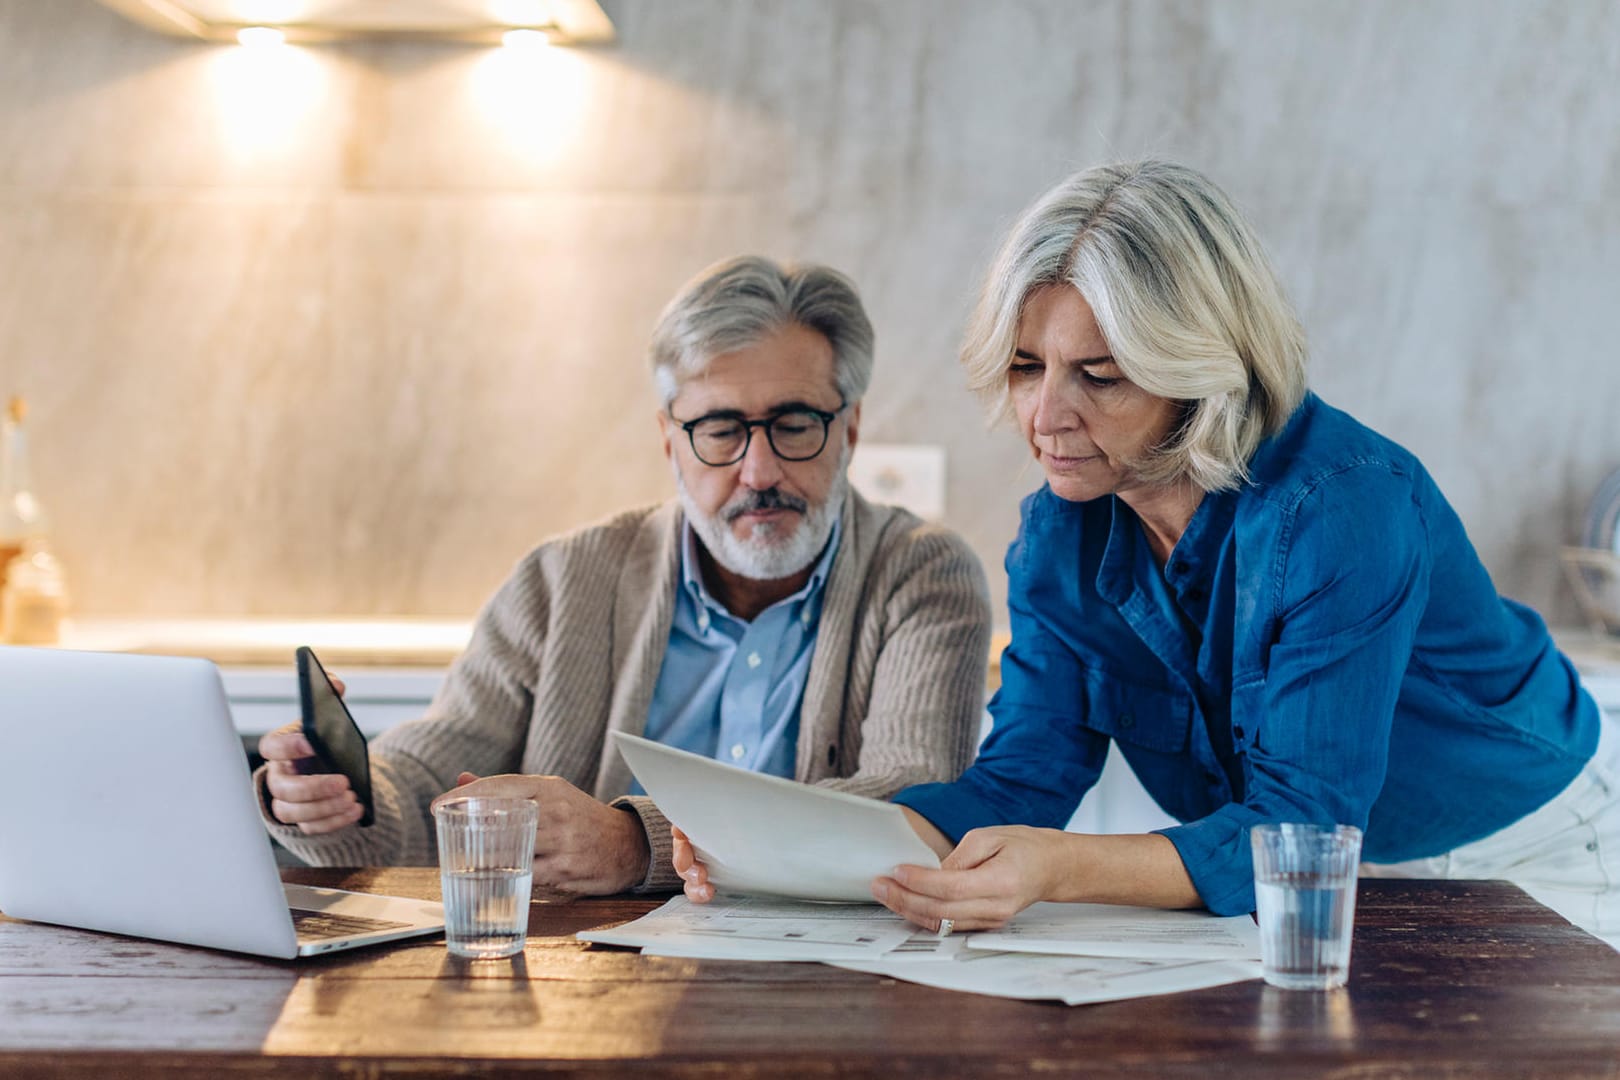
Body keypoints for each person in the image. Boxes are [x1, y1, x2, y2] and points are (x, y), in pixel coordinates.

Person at [677, 161, 1620, 950]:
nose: (1046, 416)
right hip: (1305, 860)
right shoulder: (1062, 528)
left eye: (1101, 374)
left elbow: (1302, 828)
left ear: (1202, 369)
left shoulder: (1346, 508)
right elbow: (1022, 778)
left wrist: (1062, 867)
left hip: (1523, 841)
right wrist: (783, 848)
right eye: (1025, 365)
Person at [256, 255, 993, 895]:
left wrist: (636, 844)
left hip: (831, 986)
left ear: (851, 428)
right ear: (669, 438)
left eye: (795, 424)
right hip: (582, 991)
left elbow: (909, 806)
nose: (759, 471)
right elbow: (429, 778)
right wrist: (343, 796)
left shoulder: (921, 574)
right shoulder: (562, 579)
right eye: (720, 430)